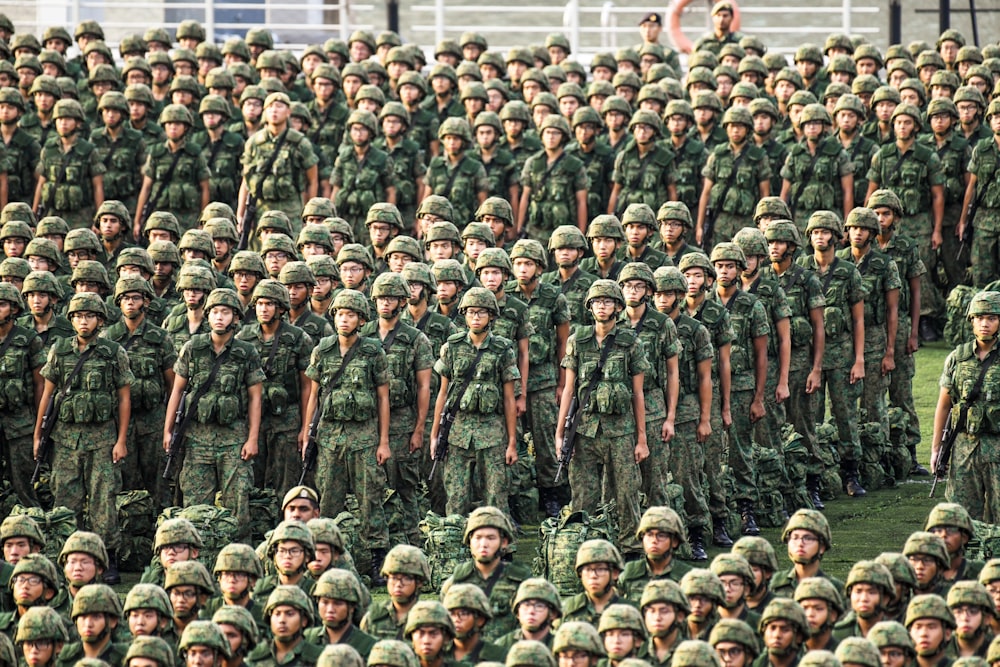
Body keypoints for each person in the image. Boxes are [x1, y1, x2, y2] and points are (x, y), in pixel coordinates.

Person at [36, 292, 131, 585]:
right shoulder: (60, 350)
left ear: (100, 320)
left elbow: (123, 397)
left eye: (89, 316)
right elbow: (48, 393)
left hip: (102, 437)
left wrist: (121, 439)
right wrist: (39, 435)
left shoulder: (113, 352)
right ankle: (70, 557)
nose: (83, 321)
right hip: (65, 439)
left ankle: (107, 559)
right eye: (78, 316)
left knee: (104, 501)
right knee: (66, 501)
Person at [556, 279, 649, 554]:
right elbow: (569, 390)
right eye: (597, 301)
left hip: (620, 430)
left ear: (618, 307)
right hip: (584, 430)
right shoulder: (578, 341)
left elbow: (638, 393)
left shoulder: (630, 342)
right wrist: (560, 432)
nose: (602, 306)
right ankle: (583, 546)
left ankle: (630, 547)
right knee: (583, 494)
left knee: (626, 492)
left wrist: (641, 438)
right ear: (589, 306)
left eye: (608, 302)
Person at [304, 288, 391, 579]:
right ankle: (323, 556)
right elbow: (313, 396)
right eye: (340, 313)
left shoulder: (372, 351)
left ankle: (376, 561)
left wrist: (383, 441)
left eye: (350, 314)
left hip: (364, 437)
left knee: (370, 499)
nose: (344, 319)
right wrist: (307, 434)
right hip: (329, 437)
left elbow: (382, 398)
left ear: (361, 319)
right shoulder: (323, 349)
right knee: (328, 499)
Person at [799, 210, 867, 496]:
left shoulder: (848, 271)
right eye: (815, 232)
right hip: (809, 358)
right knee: (809, 418)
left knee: (845, 415)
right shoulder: (801, 269)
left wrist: (860, 359)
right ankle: (813, 477)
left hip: (841, 356)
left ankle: (851, 472)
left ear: (836, 237)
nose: (820, 237)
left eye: (825, 232)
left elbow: (858, 319)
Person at [931, 291, 1000, 522]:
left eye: (991, 318)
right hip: (964, 446)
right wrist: (937, 449)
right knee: (961, 518)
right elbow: (944, 406)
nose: (985, 324)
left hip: (997, 446)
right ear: (971, 320)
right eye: (979, 318)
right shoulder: (957, 358)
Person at [238, 92, 319, 238]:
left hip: (290, 208)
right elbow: (246, 181)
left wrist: (308, 214)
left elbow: (312, 180)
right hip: (261, 208)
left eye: (279, 106)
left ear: (288, 112)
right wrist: (240, 214)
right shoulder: (254, 142)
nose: (274, 110)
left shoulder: (299, 142)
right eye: (270, 107)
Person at [441, 507, 528, 642]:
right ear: (469, 541)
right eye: (478, 538)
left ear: (504, 542)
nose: (483, 544)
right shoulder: (455, 584)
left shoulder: (522, 582)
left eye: (491, 538)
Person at [133, 104, 209, 235]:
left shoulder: (194, 152)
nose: (173, 127)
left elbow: (205, 188)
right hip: (160, 214)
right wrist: (137, 221)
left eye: (178, 124)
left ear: (185, 127)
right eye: (169, 123)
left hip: (188, 217)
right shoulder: (156, 152)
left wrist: (202, 222)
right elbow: (146, 188)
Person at [32, 99, 104, 230]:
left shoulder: (88, 150)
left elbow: (97, 186)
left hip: (80, 216)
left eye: (68, 119)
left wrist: (98, 220)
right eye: (60, 119)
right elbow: (41, 183)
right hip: (52, 213)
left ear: (78, 123)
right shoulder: (49, 148)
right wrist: (34, 215)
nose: (63, 123)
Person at [305, 568, 376, 658]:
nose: (330, 609)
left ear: (352, 607)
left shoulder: (368, 646)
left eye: (338, 603)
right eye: (325, 602)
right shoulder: (308, 639)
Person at [495, 579, 561, 650]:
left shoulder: (560, 646)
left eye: (539, 606)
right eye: (526, 605)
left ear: (553, 614)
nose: (531, 611)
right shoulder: (502, 645)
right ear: (518, 612)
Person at [794, 577, 845, 652]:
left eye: (818, 609)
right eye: (804, 609)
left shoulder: (841, 653)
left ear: (832, 614)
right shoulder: (789, 654)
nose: (810, 614)